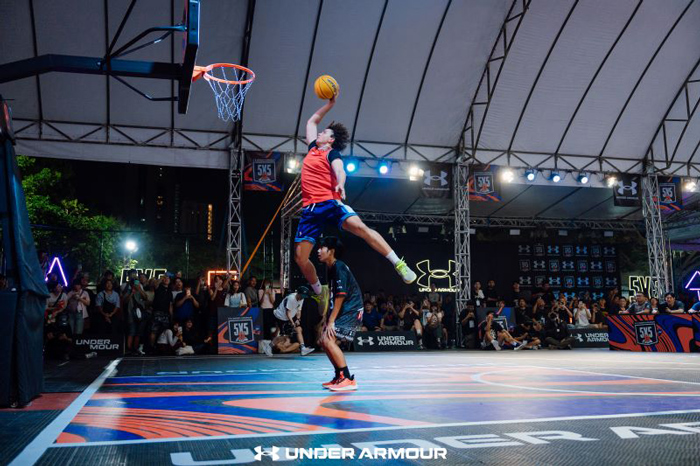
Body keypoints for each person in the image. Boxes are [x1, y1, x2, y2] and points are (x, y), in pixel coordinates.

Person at [294, 96, 416, 310]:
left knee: (361, 229)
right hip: (310, 210)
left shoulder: (332, 154)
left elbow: (340, 170)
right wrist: (330, 104)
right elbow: (312, 121)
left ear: (331, 140)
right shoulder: (313, 148)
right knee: (300, 258)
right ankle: (320, 291)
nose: (320, 133)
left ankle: (398, 264)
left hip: (329, 202)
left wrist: (341, 183)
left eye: (325, 132)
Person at [317, 236, 363, 391]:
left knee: (328, 340)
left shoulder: (339, 267)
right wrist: (326, 318)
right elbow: (332, 296)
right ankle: (339, 376)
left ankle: (347, 379)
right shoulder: (330, 268)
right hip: (344, 309)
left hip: (351, 309)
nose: (318, 251)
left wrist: (331, 321)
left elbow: (340, 296)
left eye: (322, 248)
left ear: (331, 251)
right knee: (324, 341)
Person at [261, 286, 314, 356]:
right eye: (302, 296)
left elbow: (299, 310)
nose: (302, 298)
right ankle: (269, 346)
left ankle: (303, 348)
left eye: (304, 296)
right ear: (298, 293)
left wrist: (297, 319)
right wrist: (292, 322)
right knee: (284, 337)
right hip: (280, 317)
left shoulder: (301, 299)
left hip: (288, 317)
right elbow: (287, 312)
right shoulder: (291, 298)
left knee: (298, 329)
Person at [150, 275, 173, 352]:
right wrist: (161, 278)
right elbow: (155, 284)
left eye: (168, 278)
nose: (166, 279)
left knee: (164, 331)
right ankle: (152, 348)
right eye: (165, 278)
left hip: (166, 314)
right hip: (157, 312)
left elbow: (170, 305)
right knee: (154, 330)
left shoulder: (170, 291)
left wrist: (171, 315)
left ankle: (162, 348)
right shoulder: (159, 287)